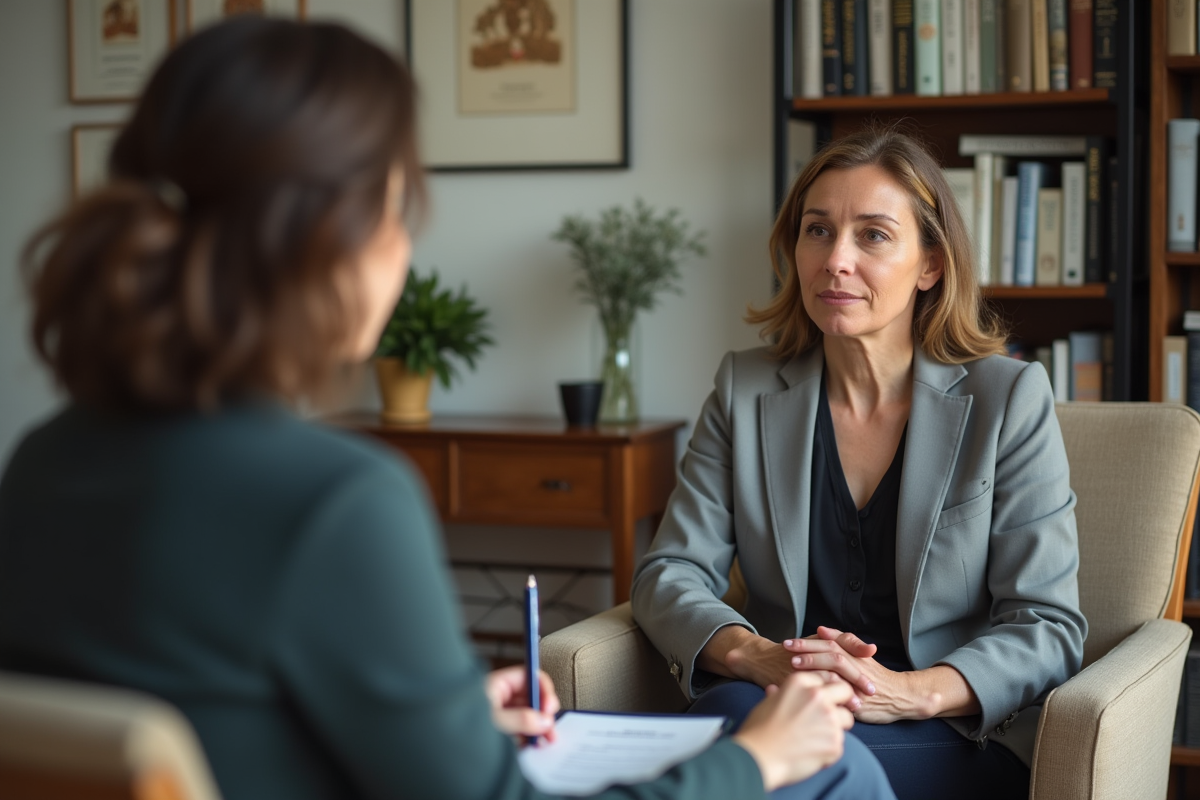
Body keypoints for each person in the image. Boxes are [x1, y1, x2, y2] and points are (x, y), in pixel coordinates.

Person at [0, 17, 897, 800]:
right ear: (331, 244)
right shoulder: (336, 502)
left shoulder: (43, 460)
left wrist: (439, 719)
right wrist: (757, 757)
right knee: (833, 771)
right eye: (398, 209)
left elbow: (222, 716)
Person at [630, 126, 1088, 800]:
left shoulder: (1007, 399)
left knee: (778, 774)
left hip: (942, 726)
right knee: (724, 744)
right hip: (774, 701)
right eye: (817, 231)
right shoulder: (745, 389)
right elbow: (669, 572)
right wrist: (757, 656)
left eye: (872, 235)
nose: (835, 260)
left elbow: (1047, 626)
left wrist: (903, 693)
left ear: (930, 264)